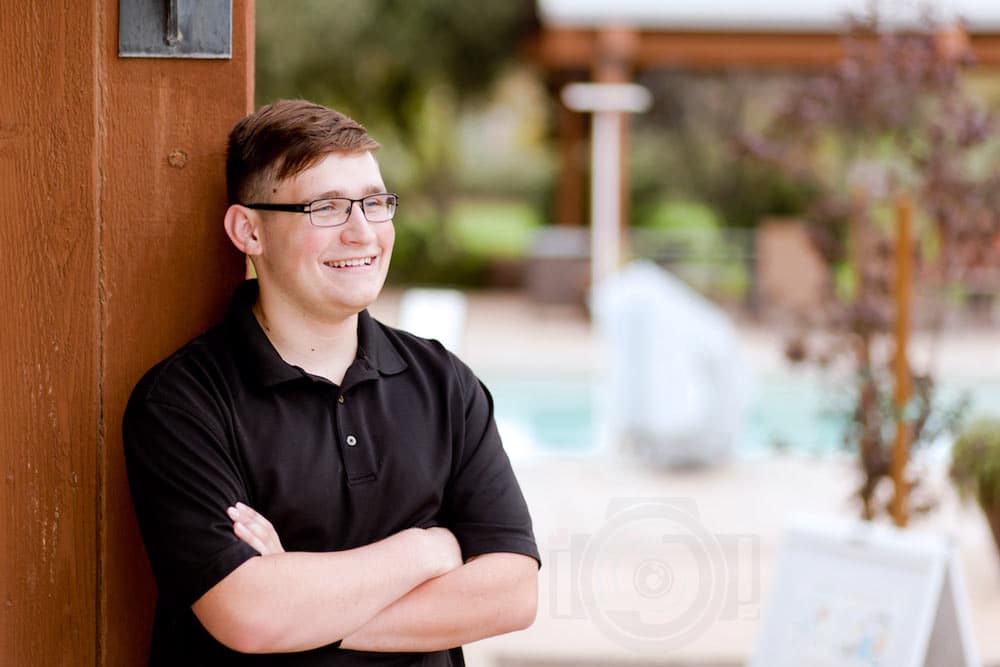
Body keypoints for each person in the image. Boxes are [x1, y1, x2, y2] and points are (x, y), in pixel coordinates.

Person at [123, 99, 540, 665]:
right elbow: (251, 615)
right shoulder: (181, 403)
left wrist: (303, 602)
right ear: (249, 230)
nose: (361, 232)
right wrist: (427, 549)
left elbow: (511, 594)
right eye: (326, 208)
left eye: (374, 203)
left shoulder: (444, 383)